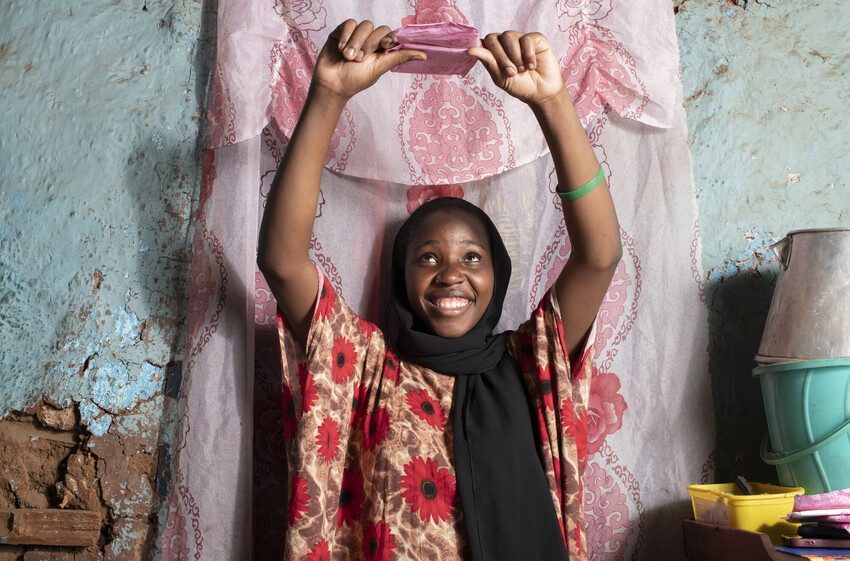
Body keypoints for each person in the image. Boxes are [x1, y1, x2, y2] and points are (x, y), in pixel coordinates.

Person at [257, 18, 622, 561]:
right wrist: (329, 94)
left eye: (472, 258)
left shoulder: (531, 365)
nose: (451, 274)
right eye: (427, 257)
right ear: (402, 278)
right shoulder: (366, 367)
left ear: (497, 276)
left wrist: (552, 103)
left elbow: (599, 256)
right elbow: (283, 263)